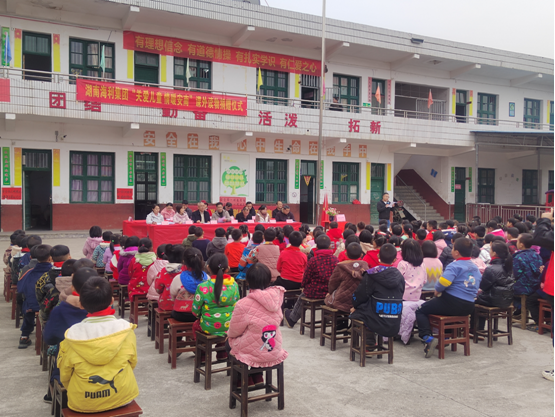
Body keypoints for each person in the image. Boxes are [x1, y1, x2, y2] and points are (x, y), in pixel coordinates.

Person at [58, 276, 138, 413]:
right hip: (123, 395)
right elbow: (132, 362)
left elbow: (65, 375)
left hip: (83, 402)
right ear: (112, 301)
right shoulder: (125, 329)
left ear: (81, 304)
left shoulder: (72, 336)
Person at [415, 238, 482, 358]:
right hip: (469, 305)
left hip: (452, 302)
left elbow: (443, 283)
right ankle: (445, 336)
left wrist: (437, 290)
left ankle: (427, 338)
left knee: (421, 310)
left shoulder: (454, 265)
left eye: (453, 248)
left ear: (456, 252)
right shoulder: (475, 267)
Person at [227, 263, 288, 387]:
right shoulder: (276, 298)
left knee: (229, 344)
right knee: (254, 340)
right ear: (269, 280)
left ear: (248, 281)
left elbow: (234, 331)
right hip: (274, 349)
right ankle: (258, 375)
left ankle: (245, 379)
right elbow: (278, 319)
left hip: (254, 351)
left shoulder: (243, 304)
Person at [42, 265, 92, 403]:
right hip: (104, 361)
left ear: (73, 287)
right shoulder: (104, 307)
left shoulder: (61, 309)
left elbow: (50, 338)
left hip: (71, 362)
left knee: (60, 355)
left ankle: (52, 396)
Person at [350, 243, 405, 340]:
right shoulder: (400, 276)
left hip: (376, 319)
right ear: (394, 260)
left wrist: (355, 306)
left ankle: (369, 340)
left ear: (378, 256)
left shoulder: (372, 274)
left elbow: (360, 295)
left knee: (356, 314)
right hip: (394, 320)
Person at [284, 235, 338, 328]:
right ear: (330, 246)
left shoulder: (313, 260)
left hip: (315, 291)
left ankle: (292, 319)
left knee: (302, 297)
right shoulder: (335, 260)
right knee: (304, 294)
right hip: (330, 292)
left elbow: (306, 277)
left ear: (316, 246)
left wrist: (303, 286)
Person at [193, 253, 239, 349]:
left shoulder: (203, 287)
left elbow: (195, 310)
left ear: (208, 268)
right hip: (229, 326)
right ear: (227, 269)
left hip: (208, 326)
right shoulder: (234, 285)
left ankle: (201, 353)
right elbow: (237, 305)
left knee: (195, 325)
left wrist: (200, 316)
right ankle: (222, 351)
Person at [473, 241, 514, 331]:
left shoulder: (491, 269)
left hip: (493, 299)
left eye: (490, 250)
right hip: (507, 299)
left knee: (475, 302)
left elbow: (483, 286)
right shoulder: (508, 266)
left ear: (494, 253)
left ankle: (477, 329)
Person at [17, 244, 52, 349]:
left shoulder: (27, 272)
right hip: (49, 307)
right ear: (51, 258)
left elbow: (20, 289)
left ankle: (24, 336)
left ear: (31, 257)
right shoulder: (54, 273)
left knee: (27, 305)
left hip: (31, 306)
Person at [325, 243, 369, 315]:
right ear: (361, 255)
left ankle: (340, 324)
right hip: (359, 301)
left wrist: (330, 293)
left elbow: (332, 283)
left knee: (329, 299)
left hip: (341, 301)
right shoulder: (365, 266)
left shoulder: (341, 266)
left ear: (346, 254)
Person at [170, 248, 209, 322]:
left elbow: (173, 295)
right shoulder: (207, 278)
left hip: (181, 314)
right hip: (201, 314)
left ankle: (180, 332)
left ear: (184, 261)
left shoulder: (178, 278)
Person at [35, 244, 71, 324]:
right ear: (69, 257)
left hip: (51, 314)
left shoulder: (44, 277)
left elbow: (39, 296)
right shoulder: (75, 275)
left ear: (51, 259)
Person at [512, 233, 543, 314]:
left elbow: (515, 274)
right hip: (536, 286)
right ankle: (521, 308)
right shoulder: (537, 256)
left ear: (521, 245)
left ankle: (520, 307)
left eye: (517, 241)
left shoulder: (519, 257)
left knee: (506, 290)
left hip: (522, 287)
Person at [153, 244, 185, 311]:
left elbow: (158, 289)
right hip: (184, 305)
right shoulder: (186, 270)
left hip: (166, 305)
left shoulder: (163, 271)